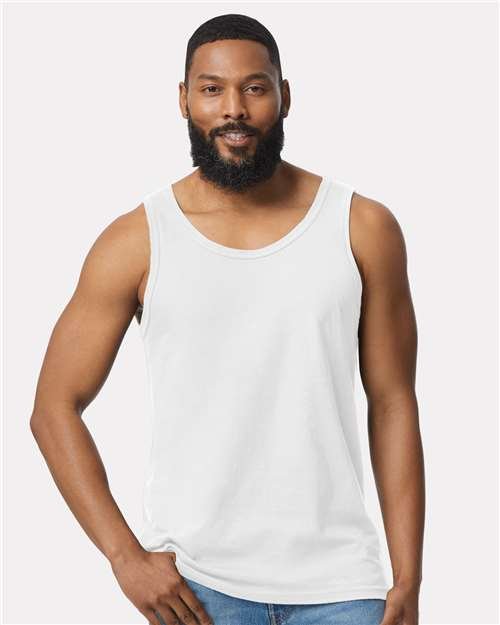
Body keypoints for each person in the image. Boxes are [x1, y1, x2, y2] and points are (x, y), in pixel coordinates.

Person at [30, 13, 424, 625]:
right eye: (212, 89)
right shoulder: (137, 240)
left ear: (284, 95)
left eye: (254, 88)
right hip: (195, 589)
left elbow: (394, 401)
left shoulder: (362, 226)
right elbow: (53, 407)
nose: (233, 108)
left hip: (343, 586)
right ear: (184, 100)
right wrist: (125, 557)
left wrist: (409, 577)